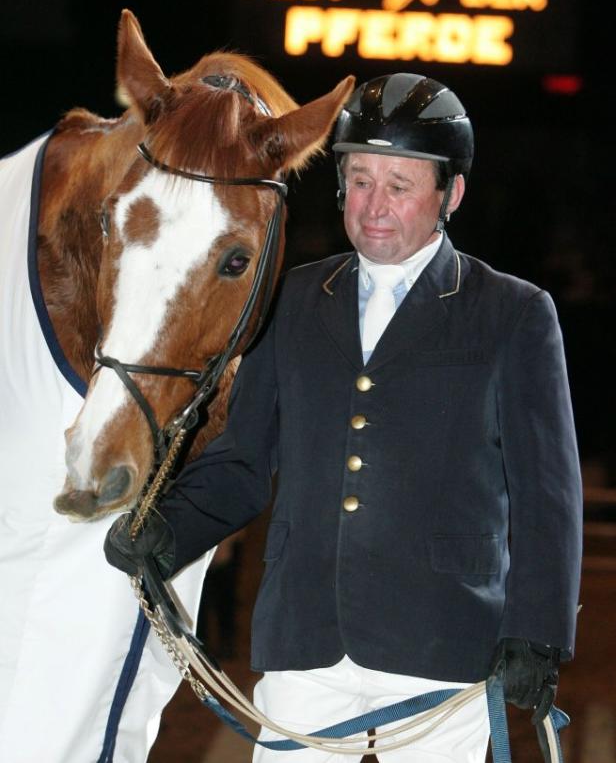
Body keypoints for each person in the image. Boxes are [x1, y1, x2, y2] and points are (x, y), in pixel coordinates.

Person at [105, 73, 583, 762]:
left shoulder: (513, 313)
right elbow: (243, 463)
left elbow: (547, 495)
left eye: (399, 185)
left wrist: (537, 633)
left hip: (442, 641)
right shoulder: (294, 299)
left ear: (450, 195)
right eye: (361, 180)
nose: (375, 206)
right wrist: (165, 530)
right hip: (305, 638)